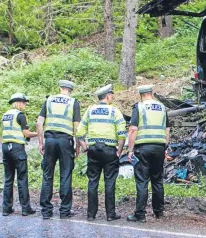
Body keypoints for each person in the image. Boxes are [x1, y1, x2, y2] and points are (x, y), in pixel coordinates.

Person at [76, 84, 126, 222]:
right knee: (109, 182)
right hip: (109, 151)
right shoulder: (114, 111)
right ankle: (110, 214)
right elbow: (122, 134)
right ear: (108, 96)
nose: (112, 97)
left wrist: (85, 146)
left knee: (92, 182)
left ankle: (91, 215)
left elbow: (79, 132)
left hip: (93, 150)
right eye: (112, 95)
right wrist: (120, 151)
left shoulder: (90, 110)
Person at [37, 80, 81, 219]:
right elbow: (76, 126)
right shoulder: (73, 102)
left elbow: (39, 123)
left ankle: (46, 211)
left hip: (49, 140)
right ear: (70, 90)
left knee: (47, 175)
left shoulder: (49, 100)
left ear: (60, 88)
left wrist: (40, 142)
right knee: (66, 174)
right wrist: (77, 145)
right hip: (65, 142)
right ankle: (64, 211)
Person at [127, 85, 170, 223]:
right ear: (151, 93)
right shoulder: (162, 107)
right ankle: (159, 212)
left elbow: (133, 130)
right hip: (159, 147)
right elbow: (167, 129)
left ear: (141, 94)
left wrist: (130, 150)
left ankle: (140, 214)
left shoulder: (138, 107)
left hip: (143, 149)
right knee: (157, 180)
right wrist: (165, 147)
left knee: (142, 181)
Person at [1, 93, 37, 217]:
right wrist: (38, 133)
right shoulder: (20, 115)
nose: (25, 104)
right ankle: (25, 208)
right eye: (24, 102)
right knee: (22, 178)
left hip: (5, 148)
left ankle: (6, 208)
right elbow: (26, 134)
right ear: (19, 102)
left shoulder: (5, 115)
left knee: (8, 179)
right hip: (17, 149)